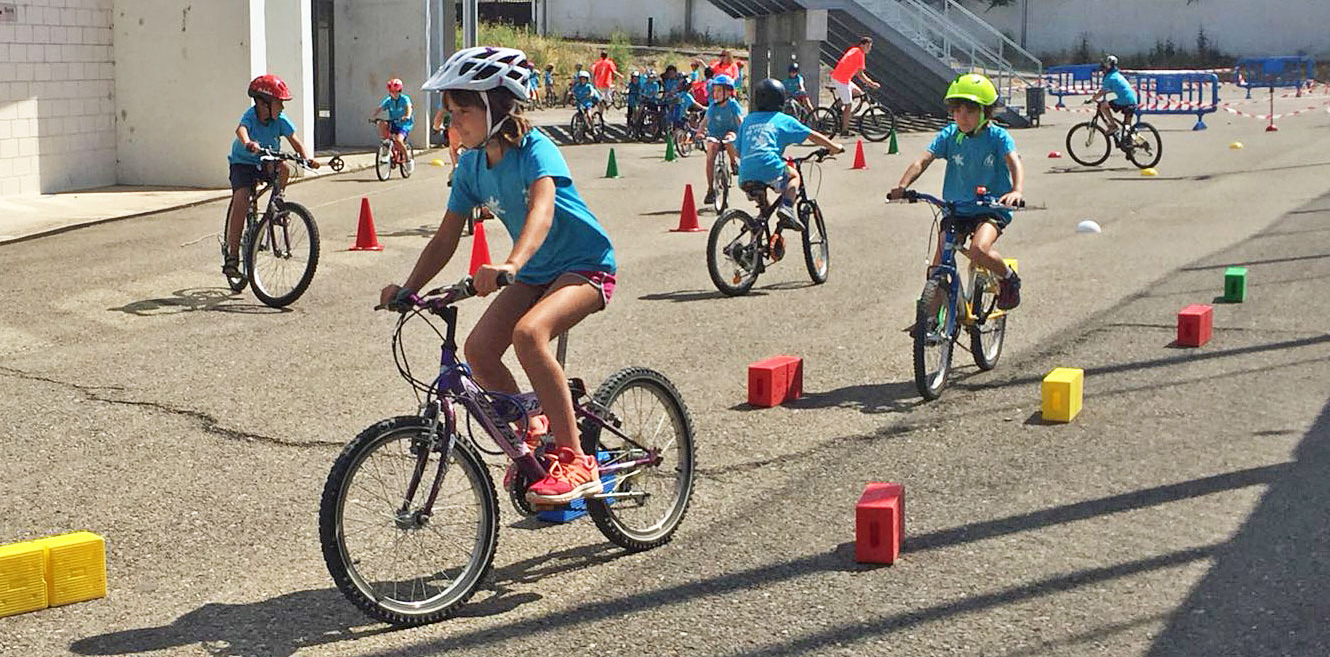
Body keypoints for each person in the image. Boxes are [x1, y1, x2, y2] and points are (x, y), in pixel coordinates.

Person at [385, 46, 617, 506]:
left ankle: (576, 462)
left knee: (530, 334)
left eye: (463, 111)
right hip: (534, 272)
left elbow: (542, 209)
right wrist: (408, 288)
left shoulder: (537, 149)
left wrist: (510, 264)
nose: (454, 123)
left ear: (495, 106)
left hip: (585, 265)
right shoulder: (470, 165)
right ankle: (533, 434)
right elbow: (446, 237)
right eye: (450, 113)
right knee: (479, 349)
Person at [887, 73, 1024, 311]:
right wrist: (903, 185)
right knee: (937, 268)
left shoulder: (998, 136)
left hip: (990, 208)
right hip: (957, 208)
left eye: (970, 111)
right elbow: (923, 159)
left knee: (978, 250)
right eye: (957, 110)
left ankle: (1009, 278)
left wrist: (1016, 190)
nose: (962, 117)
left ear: (985, 112)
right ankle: (929, 322)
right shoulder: (950, 135)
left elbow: (1014, 162)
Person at [223, 74, 319, 280]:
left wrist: (307, 159)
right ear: (262, 103)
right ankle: (232, 257)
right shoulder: (251, 115)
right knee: (241, 198)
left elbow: (295, 141)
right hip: (243, 163)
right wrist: (248, 142)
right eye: (278, 103)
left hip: (266, 160)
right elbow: (241, 130)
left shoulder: (280, 120)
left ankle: (277, 201)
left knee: (283, 168)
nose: (282, 108)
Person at [737, 79, 843, 231]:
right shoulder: (782, 120)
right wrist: (833, 147)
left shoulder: (748, 121)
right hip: (770, 167)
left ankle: (754, 244)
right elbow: (811, 135)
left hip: (745, 174)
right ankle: (787, 207)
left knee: (764, 212)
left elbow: (738, 150)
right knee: (794, 176)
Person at [700, 74, 744, 206]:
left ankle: (733, 163)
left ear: (728, 92)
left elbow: (740, 121)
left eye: (719, 91)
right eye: (714, 91)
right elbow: (704, 122)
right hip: (715, 135)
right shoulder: (713, 107)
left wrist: (745, 132)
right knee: (710, 153)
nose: (716, 94)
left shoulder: (733, 105)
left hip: (729, 133)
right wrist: (699, 133)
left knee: (729, 138)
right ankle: (710, 189)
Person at [830, 37, 881, 135]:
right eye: (868, 46)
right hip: (841, 80)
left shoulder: (854, 50)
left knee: (858, 93)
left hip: (843, 78)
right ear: (862, 45)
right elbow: (860, 75)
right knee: (848, 105)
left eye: (870, 46)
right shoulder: (860, 55)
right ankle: (844, 130)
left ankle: (839, 107)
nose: (869, 49)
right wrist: (872, 84)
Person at [1087, 54, 1139, 144]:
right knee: (1127, 127)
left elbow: (1102, 92)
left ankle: (1113, 126)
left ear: (1107, 67)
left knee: (1103, 106)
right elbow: (1113, 89)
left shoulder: (1109, 77)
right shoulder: (1116, 75)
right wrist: (1101, 93)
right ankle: (1130, 146)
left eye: (1103, 68)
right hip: (1132, 100)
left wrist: (1092, 99)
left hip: (1124, 100)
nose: (1103, 71)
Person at [370, 78, 414, 167]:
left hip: (404, 124)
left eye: (396, 91)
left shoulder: (405, 99)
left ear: (400, 91)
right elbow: (380, 108)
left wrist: (407, 116)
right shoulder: (388, 100)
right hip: (393, 122)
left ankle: (407, 159)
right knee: (382, 123)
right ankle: (385, 148)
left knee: (398, 140)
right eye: (391, 91)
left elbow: (409, 107)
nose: (394, 94)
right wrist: (373, 116)